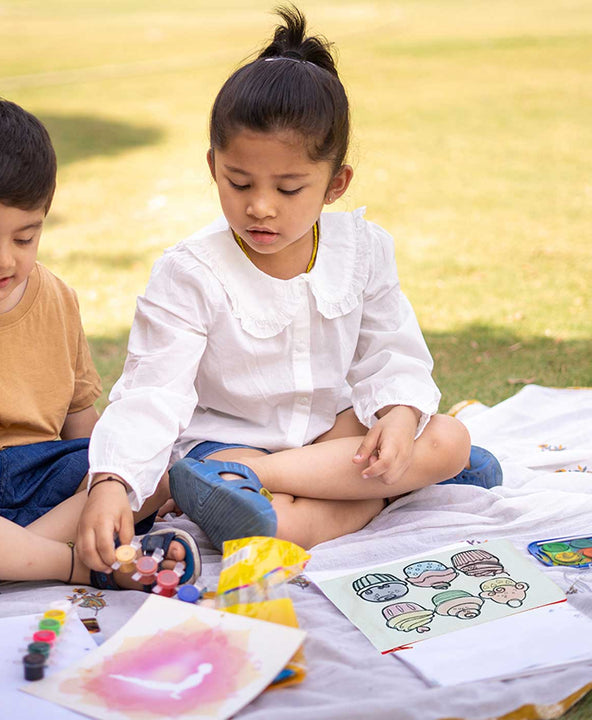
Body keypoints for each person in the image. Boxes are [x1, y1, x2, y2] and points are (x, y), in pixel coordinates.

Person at [79, 6, 502, 561]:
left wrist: (399, 416)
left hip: (329, 437)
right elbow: (152, 391)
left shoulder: (362, 250)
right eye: (239, 182)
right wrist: (112, 480)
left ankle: (265, 480)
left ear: (335, 184)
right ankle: (310, 495)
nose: (259, 207)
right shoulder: (189, 272)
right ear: (213, 167)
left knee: (450, 439)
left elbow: (391, 353)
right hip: (223, 446)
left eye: (288, 188)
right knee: (284, 508)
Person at [0, 96, 200, 620]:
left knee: (153, 466)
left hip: (41, 475)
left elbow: (80, 424)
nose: (4, 259)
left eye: (26, 237)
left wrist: (108, 483)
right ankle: (79, 563)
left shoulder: (57, 296)